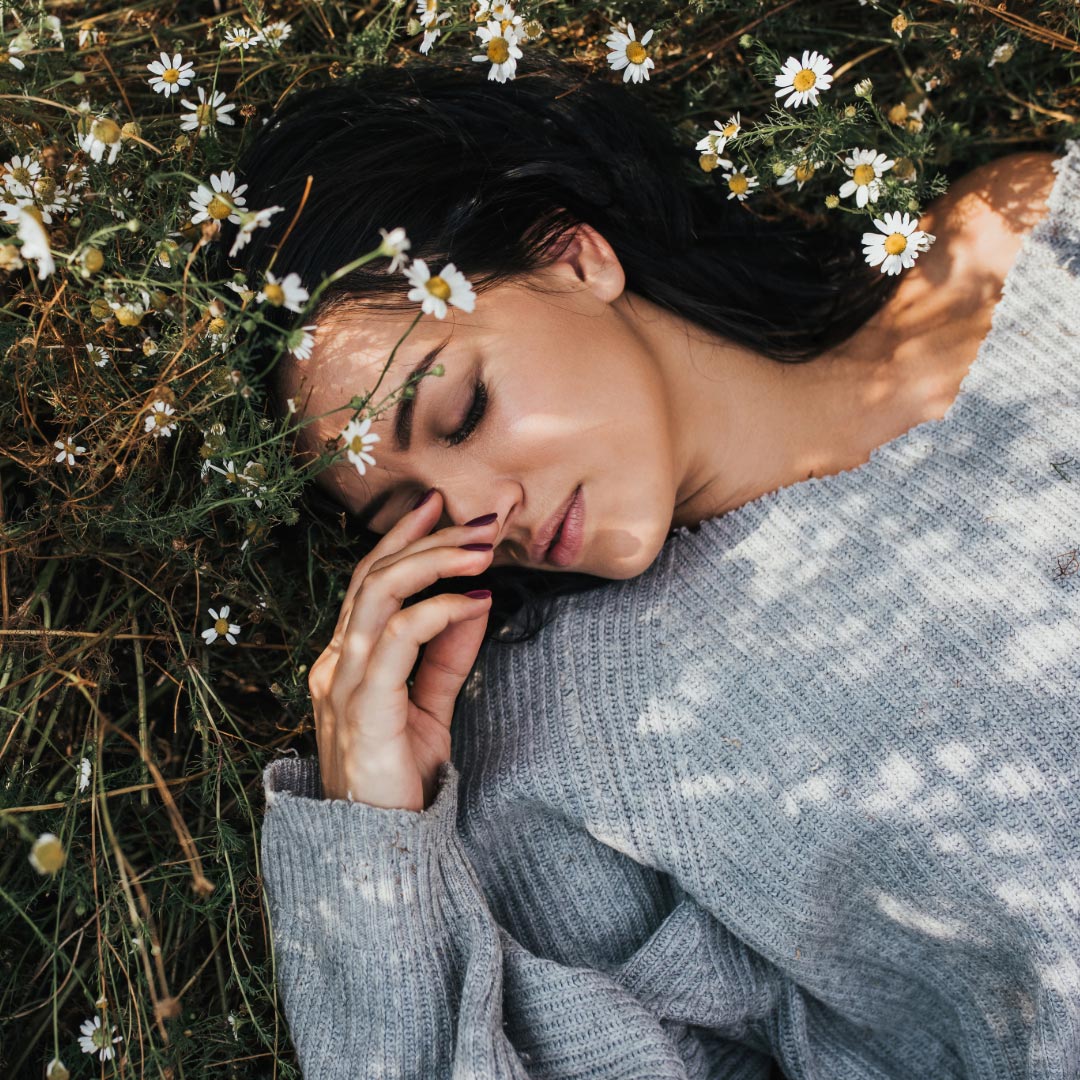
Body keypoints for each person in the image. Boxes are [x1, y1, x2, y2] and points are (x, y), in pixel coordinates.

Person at [222, 45, 1080, 1080]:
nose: (488, 514)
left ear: (575, 257)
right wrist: (371, 836)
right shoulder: (571, 749)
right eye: (411, 512)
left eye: (464, 411)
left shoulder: (1016, 238)